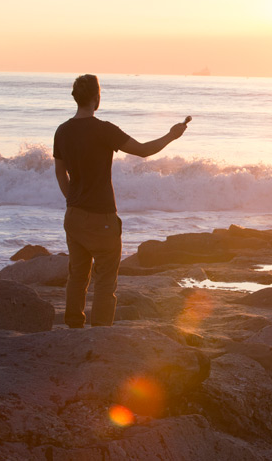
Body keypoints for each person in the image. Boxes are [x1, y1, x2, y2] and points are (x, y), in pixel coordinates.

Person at [53, 74, 188, 328]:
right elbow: (144, 150)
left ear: (76, 98)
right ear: (96, 98)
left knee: (78, 275)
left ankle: (72, 328)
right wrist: (172, 135)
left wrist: (72, 200)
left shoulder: (62, 131)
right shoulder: (104, 130)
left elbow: (61, 173)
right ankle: (101, 335)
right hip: (101, 218)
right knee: (105, 280)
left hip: (73, 215)